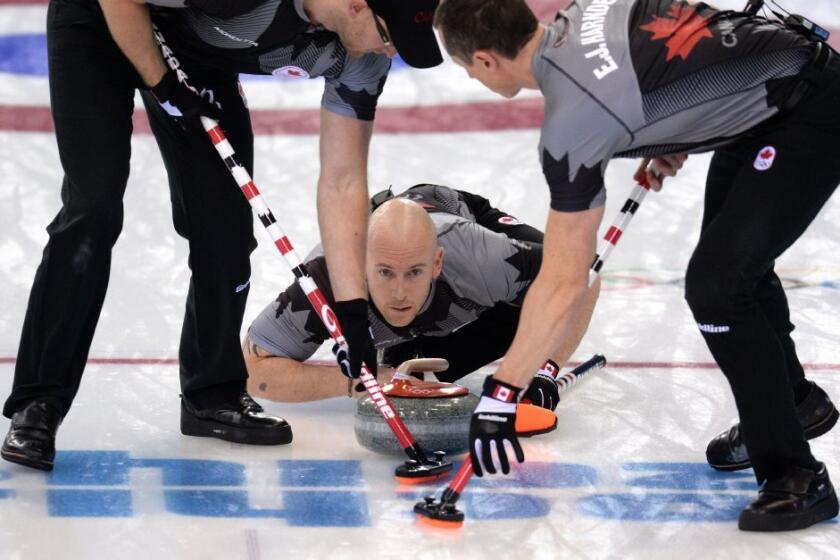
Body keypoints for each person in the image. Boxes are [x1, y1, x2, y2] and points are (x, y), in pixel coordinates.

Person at [433, 0, 840, 531]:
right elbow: (687, 33)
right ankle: (791, 405)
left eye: (463, 65)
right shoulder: (587, 10)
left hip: (808, 112)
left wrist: (503, 391)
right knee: (736, 270)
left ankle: (796, 475)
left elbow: (562, 279)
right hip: (770, 98)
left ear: (486, 60)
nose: (467, 75)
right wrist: (674, 125)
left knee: (719, 288)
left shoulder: (571, 125)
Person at [1, 0, 442, 471]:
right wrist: (161, 80)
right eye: (387, 34)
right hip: (100, 23)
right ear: (357, 6)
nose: (389, 51)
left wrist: (352, 312)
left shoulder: (362, 58)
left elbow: (343, 180)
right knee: (94, 208)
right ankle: (38, 402)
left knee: (227, 230)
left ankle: (211, 393)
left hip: (193, 50)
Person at [243, 184, 598, 407]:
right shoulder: (326, 281)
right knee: (411, 376)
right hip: (425, 287)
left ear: (437, 263)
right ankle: (401, 353)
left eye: (414, 272)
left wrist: (546, 369)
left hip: (454, 217)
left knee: (536, 305)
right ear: (362, 266)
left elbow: (585, 271)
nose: (399, 293)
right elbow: (253, 370)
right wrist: (362, 382)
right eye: (384, 273)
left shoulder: (478, 255)